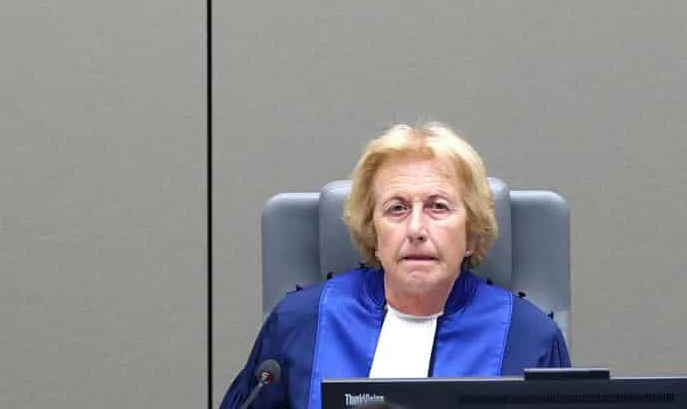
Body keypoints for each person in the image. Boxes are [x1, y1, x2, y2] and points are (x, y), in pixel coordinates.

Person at [220, 123, 570, 409]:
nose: (416, 229)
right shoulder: (300, 323)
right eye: (397, 209)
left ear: (472, 233)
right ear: (373, 232)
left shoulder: (529, 338)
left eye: (438, 207)